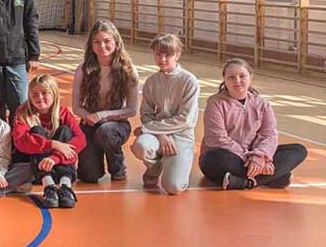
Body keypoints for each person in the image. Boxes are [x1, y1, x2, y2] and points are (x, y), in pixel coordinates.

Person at [200, 58, 307, 190]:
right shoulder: (215, 103)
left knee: (299, 150)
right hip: (228, 156)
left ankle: (243, 182)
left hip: (255, 155)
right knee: (215, 158)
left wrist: (260, 156)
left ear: (250, 77)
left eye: (242, 76)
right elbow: (217, 138)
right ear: (225, 80)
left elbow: (269, 135)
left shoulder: (262, 104)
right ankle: (271, 177)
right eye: (231, 77)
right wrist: (249, 158)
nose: (237, 80)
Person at [130, 34, 200, 196]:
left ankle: (177, 164)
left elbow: (185, 119)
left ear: (177, 55)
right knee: (141, 146)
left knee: (173, 187)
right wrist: (160, 135)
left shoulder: (189, 81)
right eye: (158, 54)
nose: (162, 59)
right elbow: (146, 113)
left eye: (167, 55)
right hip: (156, 134)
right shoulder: (151, 81)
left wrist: (148, 129)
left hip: (181, 135)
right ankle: (154, 167)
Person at [72, 20, 139, 183]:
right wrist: (87, 116)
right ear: (91, 44)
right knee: (88, 176)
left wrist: (103, 115)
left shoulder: (128, 70)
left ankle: (117, 167)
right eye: (97, 41)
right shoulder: (83, 70)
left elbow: (132, 110)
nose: (102, 46)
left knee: (106, 131)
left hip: (116, 124)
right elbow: (76, 107)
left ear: (116, 42)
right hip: (90, 122)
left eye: (107, 41)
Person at [8, 75, 85, 209]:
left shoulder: (63, 112)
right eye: (34, 94)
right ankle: (48, 186)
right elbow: (20, 141)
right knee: (36, 131)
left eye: (45, 93)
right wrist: (53, 144)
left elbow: (81, 139)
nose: (40, 97)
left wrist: (55, 158)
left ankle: (65, 185)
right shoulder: (23, 112)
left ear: (54, 94)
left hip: (57, 163)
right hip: (34, 166)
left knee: (66, 131)